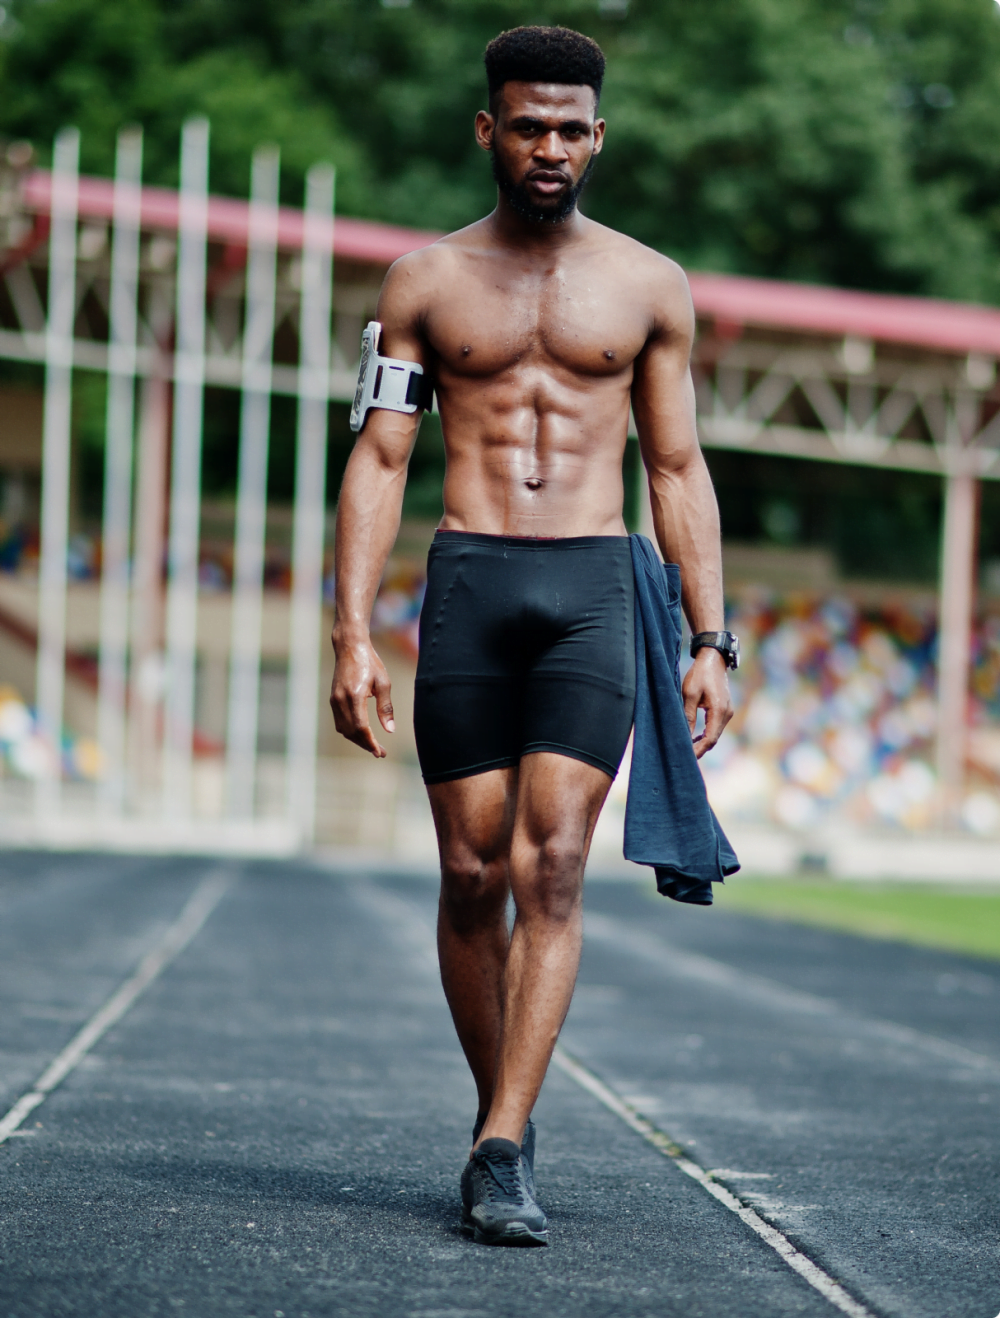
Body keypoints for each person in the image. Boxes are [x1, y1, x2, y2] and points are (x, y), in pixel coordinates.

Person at [330, 24, 734, 1246]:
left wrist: (711, 638)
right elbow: (381, 457)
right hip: (470, 580)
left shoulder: (650, 286)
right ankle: (499, 1102)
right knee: (469, 872)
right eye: (527, 126)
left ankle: (501, 1146)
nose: (548, 147)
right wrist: (349, 632)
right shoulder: (424, 283)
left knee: (548, 864)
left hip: (593, 589)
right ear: (487, 130)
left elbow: (674, 466)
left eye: (568, 129)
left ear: (597, 137)